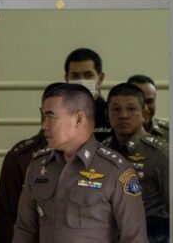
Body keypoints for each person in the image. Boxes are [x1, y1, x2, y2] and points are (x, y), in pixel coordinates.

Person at [13, 83, 147, 243]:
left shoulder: (116, 170)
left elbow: (134, 238)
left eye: (51, 117)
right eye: (43, 116)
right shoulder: (39, 166)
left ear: (79, 119)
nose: (44, 125)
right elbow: (24, 230)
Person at [103, 83, 170, 243]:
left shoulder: (159, 153)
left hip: (151, 234)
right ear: (108, 115)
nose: (124, 115)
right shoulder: (101, 151)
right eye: (116, 109)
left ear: (144, 114)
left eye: (131, 109)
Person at [0, 129, 48, 243]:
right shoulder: (21, 158)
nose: (46, 124)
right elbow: (8, 219)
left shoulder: (91, 156)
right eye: (45, 115)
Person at [65, 48, 112, 140]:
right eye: (75, 76)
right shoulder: (60, 113)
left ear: (100, 79)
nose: (82, 81)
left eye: (88, 75)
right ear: (67, 79)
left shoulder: (110, 113)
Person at [127, 75, 169, 140]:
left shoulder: (170, 134)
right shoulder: (113, 133)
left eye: (150, 101)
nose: (145, 108)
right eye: (139, 101)